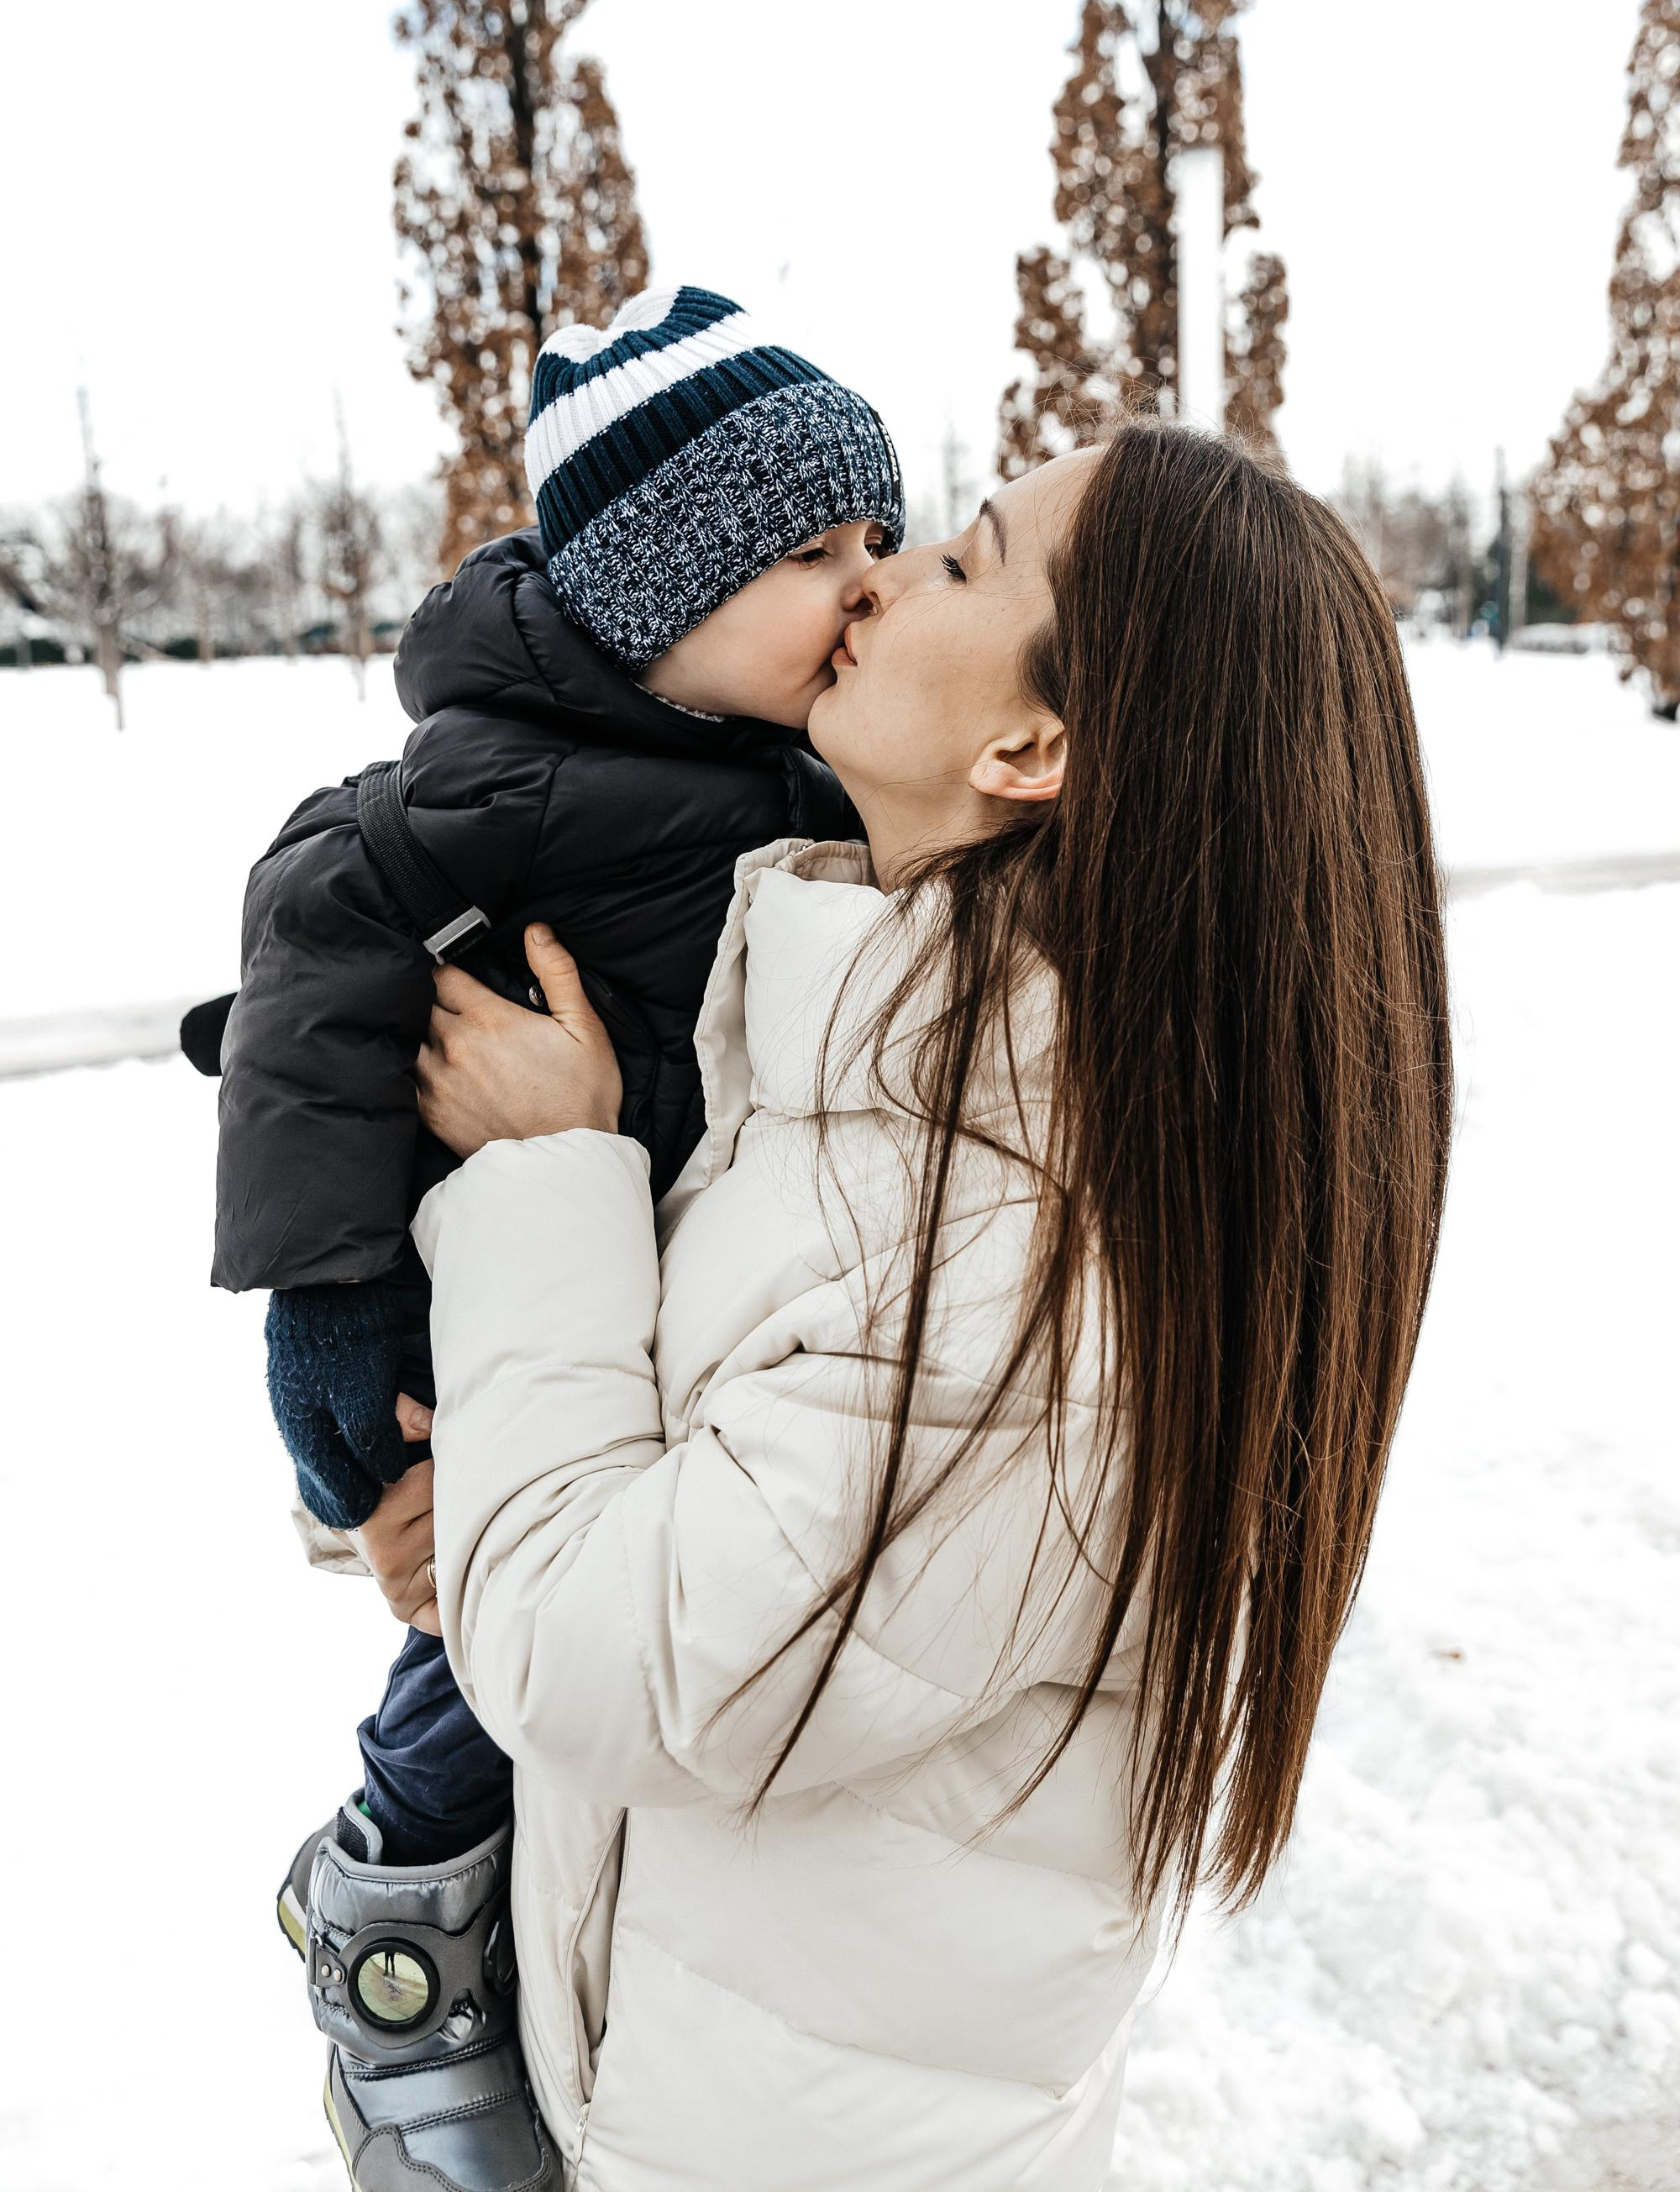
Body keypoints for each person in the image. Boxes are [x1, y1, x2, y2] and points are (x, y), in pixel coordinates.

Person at [375, 421, 1453, 2191]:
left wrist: (541, 1180)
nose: (869, 579)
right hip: (714, 2086)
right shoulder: (890, 1071)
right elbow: (666, 1477)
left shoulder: (1031, 1247)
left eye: (958, 556)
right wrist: (476, 1486)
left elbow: (606, 1660)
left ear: (1032, 747)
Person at [208, 286, 903, 2191]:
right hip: (478, 1296)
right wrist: (337, 1344)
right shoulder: (499, 778)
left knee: (583, 1681)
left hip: (660, 1298)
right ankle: (385, 1910)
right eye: (803, 552)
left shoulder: (820, 762)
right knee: (483, 1665)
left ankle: (509, 1948)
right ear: (650, 595)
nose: (865, 585)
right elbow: (307, 956)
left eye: (879, 539)